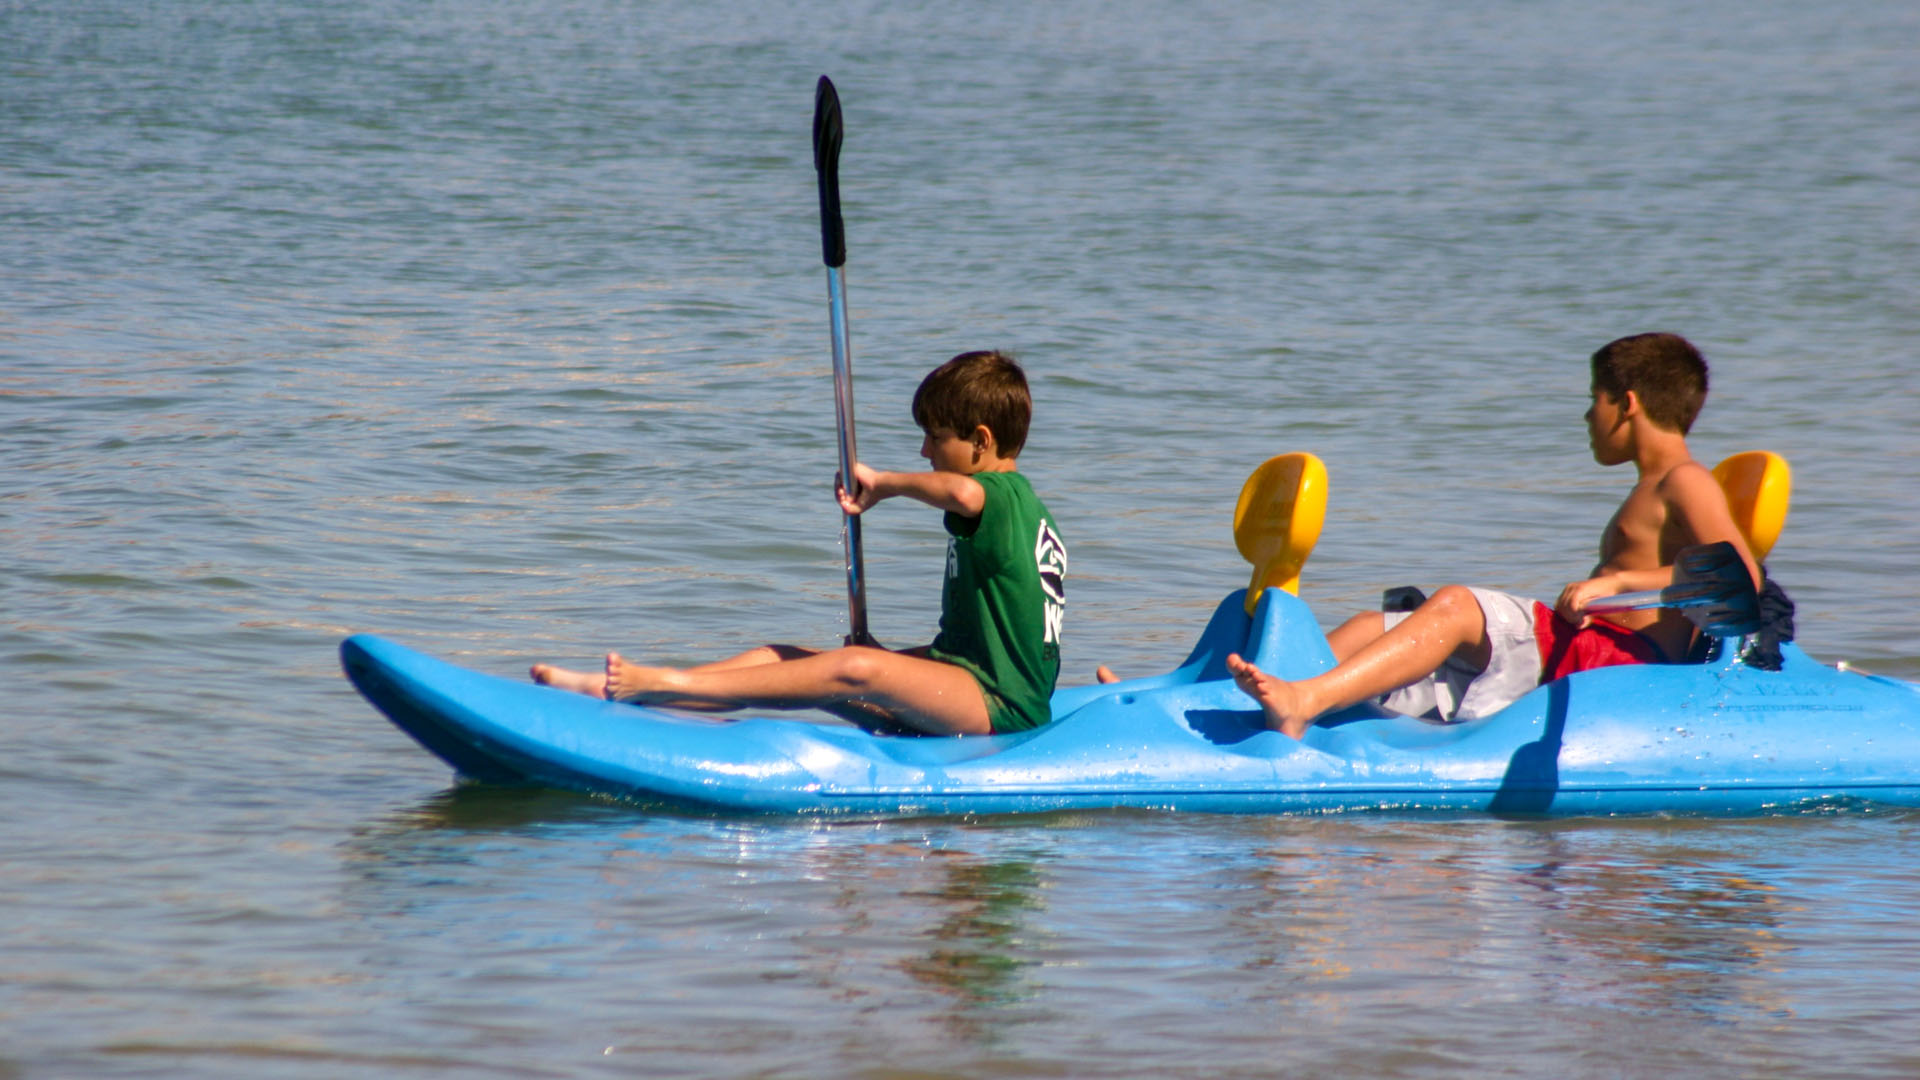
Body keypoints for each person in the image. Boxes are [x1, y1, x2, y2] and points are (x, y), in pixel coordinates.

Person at [1225, 332, 1761, 738]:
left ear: (1627, 404)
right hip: (1587, 647)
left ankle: (1304, 701)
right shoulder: (1652, 486)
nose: (1585, 414)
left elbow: (1741, 578)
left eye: (1594, 398)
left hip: (1619, 662)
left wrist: (1618, 582)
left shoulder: (1685, 480)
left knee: (1457, 605)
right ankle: (1259, 700)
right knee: (1373, 625)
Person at [531, 350, 1068, 737]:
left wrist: (883, 484)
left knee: (857, 670)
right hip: (961, 676)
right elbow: (990, 638)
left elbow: (961, 491)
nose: (923, 449)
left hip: (1000, 706)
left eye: (935, 436)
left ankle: (653, 684)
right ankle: (635, 690)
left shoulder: (1003, 496)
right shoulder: (1025, 515)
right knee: (790, 656)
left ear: (981, 441)